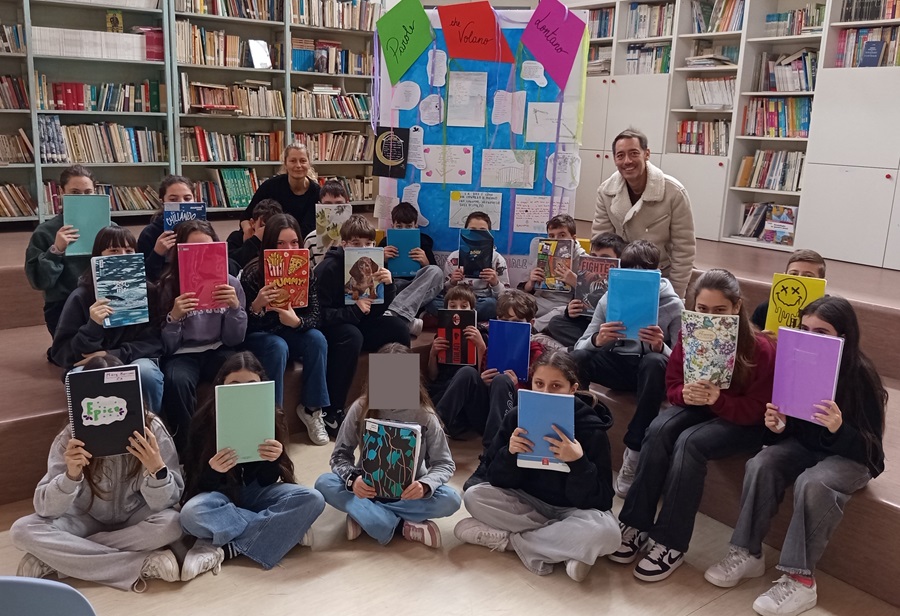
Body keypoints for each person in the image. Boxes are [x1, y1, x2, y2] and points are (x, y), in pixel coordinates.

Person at [705, 296, 887, 616]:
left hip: (852, 456)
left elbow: (872, 453)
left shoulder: (861, 376)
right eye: (804, 329)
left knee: (813, 482)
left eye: (822, 332)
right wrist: (777, 426)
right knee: (762, 463)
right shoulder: (797, 363)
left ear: (843, 337)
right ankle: (748, 553)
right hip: (810, 447)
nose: (810, 338)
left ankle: (800, 580)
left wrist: (839, 428)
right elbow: (795, 433)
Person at [611, 269, 775, 582]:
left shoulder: (761, 349)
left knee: (690, 443)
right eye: (702, 310)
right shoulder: (691, 334)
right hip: (700, 406)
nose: (710, 317)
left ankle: (670, 542)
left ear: (737, 307)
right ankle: (635, 523)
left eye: (720, 310)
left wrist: (719, 400)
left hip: (740, 420)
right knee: (659, 429)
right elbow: (672, 383)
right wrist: (683, 393)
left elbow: (757, 410)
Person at [10, 355, 184, 592]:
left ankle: (63, 559)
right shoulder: (70, 436)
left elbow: (169, 502)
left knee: (173, 524)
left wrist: (156, 471)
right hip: (85, 517)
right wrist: (70, 477)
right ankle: (139, 564)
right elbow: (45, 508)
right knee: (22, 530)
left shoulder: (153, 430)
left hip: (135, 517)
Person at [454, 351, 620, 582]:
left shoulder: (591, 429)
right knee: (473, 496)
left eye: (556, 386)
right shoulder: (516, 417)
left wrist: (578, 462)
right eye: (539, 384)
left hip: (573, 510)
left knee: (609, 534)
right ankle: (564, 547)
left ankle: (509, 542)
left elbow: (602, 501)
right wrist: (510, 454)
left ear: (572, 389)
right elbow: (494, 477)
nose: (545, 393)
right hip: (528, 502)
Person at [179, 352, 325, 577]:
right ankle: (281, 528)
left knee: (313, 499)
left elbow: (269, 479)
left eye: (251, 384)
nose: (242, 391)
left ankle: (230, 547)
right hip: (219, 497)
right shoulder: (203, 420)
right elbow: (196, 483)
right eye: (234, 384)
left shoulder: (272, 414)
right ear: (221, 385)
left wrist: (274, 459)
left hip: (257, 492)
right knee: (190, 514)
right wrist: (213, 470)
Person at [314, 343, 461, 548]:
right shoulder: (360, 408)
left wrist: (425, 485)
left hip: (409, 492)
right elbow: (340, 456)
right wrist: (353, 480)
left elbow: (444, 463)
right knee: (323, 483)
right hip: (367, 488)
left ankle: (366, 517)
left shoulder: (424, 414)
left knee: (452, 498)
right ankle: (402, 526)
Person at [570, 239, 684, 498]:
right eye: (630, 270)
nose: (637, 277)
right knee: (577, 358)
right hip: (618, 365)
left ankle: (634, 453)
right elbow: (580, 344)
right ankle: (582, 428)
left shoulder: (673, 304)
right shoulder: (609, 299)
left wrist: (660, 347)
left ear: (656, 273)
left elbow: (683, 358)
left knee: (654, 362)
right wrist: (600, 339)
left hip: (652, 373)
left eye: (644, 272)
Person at [156, 220, 248, 454]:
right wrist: (174, 318)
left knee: (241, 374)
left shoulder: (231, 283)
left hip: (218, 348)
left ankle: (240, 441)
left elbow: (234, 340)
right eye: (192, 250)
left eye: (207, 248)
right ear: (180, 253)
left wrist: (235, 309)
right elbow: (167, 347)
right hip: (183, 353)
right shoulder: (169, 285)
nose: (201, 255)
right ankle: (189, 452)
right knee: (176, 380)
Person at [314, 214, 410, 437]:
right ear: (344, 244)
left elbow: (374, 312)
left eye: (368, 244)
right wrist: (353, 311)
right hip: (334, 327)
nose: (363, 248)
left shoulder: (373, 264)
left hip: (359, 322)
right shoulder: (328, 268)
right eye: (356, 244)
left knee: (398, 328)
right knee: (352, 335)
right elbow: (318, 315)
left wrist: (389, 285)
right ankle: (333, 410)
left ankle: (393, 403)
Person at [50, 226, 164, 414]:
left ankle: (152, 429)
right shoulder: (81, 296)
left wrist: (111, 354)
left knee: (145, 372)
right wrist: (93, 325)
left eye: (129, 251)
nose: (122, 257)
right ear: (98, 257)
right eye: (114, 251)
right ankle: (96, 438)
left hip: (134, 359)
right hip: (91, 363)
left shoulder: (149, 292)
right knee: (85, 377)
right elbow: (62, 353)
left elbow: (156, 341)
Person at [240, 214, 330, 446]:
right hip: (264, 335)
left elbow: (316, 317)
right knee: (277, 346)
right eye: (280, 243)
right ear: (269, 244)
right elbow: (241, 328)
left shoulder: (306, 271)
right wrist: (257, 306)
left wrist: (297, 323)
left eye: (294, 243)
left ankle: (312, 410)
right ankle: (274, 417)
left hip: (293, 329)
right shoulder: (252, 273)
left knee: (318, 339)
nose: (288, 249)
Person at [591, 128, 696, 298]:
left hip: (661, 275)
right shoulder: (605, 191)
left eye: (633, 153)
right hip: (621, 274)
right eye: (620, 155)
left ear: (646, 154)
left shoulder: (674, 192)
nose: (627, 161)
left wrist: (675, 296)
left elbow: (684, 249)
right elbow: (600, 242)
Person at [25, 165, 97, 338]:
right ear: (62, 194)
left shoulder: (110, 229)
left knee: (113, 351)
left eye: (88, 192)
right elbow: (39, 282)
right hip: (63, 306)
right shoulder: (45, 232)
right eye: (75, 193)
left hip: (102, 302)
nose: (82, 198)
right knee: (76, 354)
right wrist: (55, 250)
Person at [545, 232, 626, 348]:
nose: (598, 261)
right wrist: (570, 311)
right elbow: (578, 312)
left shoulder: (624, 280)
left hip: (611, 329)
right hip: (588, 330)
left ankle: (582, 348)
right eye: (593, 256)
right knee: (555, 323)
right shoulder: (585, 276)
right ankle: (589, 347)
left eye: (605, 258)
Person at [380, 201, 444, 337]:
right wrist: (381, 258)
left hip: (415, 288)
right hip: (393, 288)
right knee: (436, 305)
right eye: (399, 226)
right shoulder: (385, 243)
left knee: (436, 271)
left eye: (409, 226)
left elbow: (437, 279)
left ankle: (394, 315)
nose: (404, 230)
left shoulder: (424, 242)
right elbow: (373, 275)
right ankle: (406, 319)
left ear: (416, 225)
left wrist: (426, 263)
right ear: (392, 226)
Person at [519, 214, 587, 332]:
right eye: (551, 236)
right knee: (512, 300)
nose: (556, 240)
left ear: (573, 238)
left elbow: (593, 296)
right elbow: (525, 290)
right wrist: (530, 283)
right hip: (540, 301)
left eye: (562, 235)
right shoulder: (543, 254)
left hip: (564, 305)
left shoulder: (584, 260)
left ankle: (530, 329)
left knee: (559, 312)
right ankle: (515, 325)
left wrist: (575, 281)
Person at [440, 211, 510, 322]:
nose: (477, 235)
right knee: (434, 302)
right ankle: (467, 316)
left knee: (491, 305)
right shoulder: (454, 257)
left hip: (482, 300)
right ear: (465, 232)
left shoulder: (497, 259)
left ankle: (455, 318)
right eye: (472, 230)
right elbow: (445, 291)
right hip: (457, 299)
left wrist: (495, 283)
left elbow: (505, 296)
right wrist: (452, 282)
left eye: (482, 231)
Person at [241, 144, 320, 240]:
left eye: (303, 161)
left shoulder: (317, 192)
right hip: (271, 241)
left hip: (303, 244)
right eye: (293, 161)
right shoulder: (270, 186)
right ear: (285, 164)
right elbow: (246, 216)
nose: (298, 165)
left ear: (309, 163)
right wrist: (247, 229)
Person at [426, 284, 486, 407]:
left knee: (467, 372)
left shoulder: (481, 335)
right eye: (453, 306)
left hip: (471, 392)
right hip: (444, 388)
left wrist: (481, 347)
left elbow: (484, 377)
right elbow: (433, 376)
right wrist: (433, 354)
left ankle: (438, 421)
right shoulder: (442, 335)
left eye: (464, 306)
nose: (458, 310)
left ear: (472, 310)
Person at [137, 175, 197, 282]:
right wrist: (157, 253)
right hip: (163, 290)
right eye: (173, 199)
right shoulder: (149, 234)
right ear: (162, 201)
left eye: (187, 199)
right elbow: (144, 279)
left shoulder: (204, 230)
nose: (181, 203)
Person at [751, 249, 827, 330]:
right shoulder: (766, 308)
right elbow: (750, 337)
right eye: (793, 274)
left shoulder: (829, 312)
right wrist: (761, 339)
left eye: (808, 276)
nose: (799, 279)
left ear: (821, 281)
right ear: (785, 275)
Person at [304, 178, 351, 267]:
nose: (333, 210)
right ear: (320, 205)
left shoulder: (358, 237)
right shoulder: (310, 240)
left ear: (347, 205)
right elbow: (309, 275)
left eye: (339, 204)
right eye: (327, 204)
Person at [227, 198, 283, 269]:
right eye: (262, 226)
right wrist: (255, 240)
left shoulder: (281, 240)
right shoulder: (236, 237)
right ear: (252, 223)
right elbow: (230, 264)